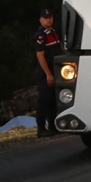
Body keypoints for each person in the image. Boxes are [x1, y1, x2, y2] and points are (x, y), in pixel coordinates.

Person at [34, 8, 62, 138]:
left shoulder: (53, 32)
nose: (48, 19)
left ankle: (52, 124)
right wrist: (48, 74)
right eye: (45, 18)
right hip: (45, 71)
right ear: (40, 19)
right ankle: (41, 127)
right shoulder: (41, 35)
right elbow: (40, 56)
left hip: (56, 70)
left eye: (50, 17)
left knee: (52, 99)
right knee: (44, 99)